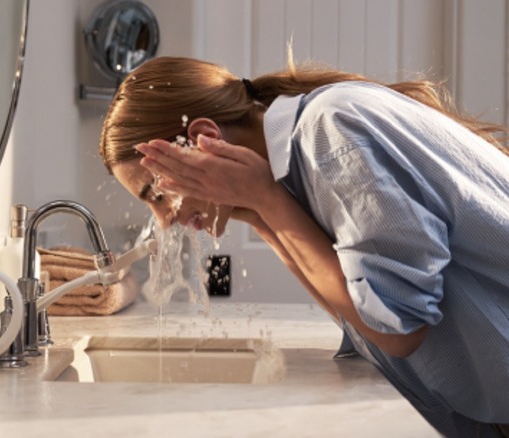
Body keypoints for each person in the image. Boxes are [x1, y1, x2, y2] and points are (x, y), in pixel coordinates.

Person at [98, 56, 509, 437]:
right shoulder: (302, 158)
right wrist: (260, 212)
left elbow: (398, 328)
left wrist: (268, 201)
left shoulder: (332, 132)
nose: (164, 219)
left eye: (156, 193)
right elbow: (357, 315)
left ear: (202, 140)